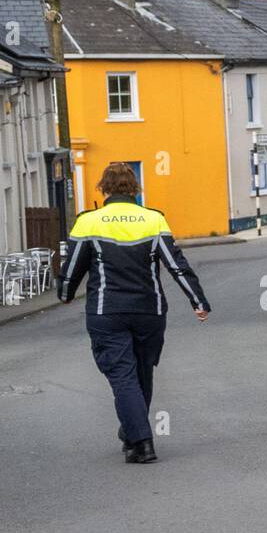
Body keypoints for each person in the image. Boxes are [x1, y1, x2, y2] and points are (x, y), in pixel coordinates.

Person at [58, 163, 210, 464]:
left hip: (107, 311)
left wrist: (65, 293)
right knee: (142, 373)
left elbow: (73, 265)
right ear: (135, 188)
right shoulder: (154, 220)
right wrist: (197, 301)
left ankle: (142, 442)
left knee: (122, 375)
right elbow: (176, 264)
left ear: (103, 188)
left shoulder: (89, 222)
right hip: (149, 311)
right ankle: (132, 431)